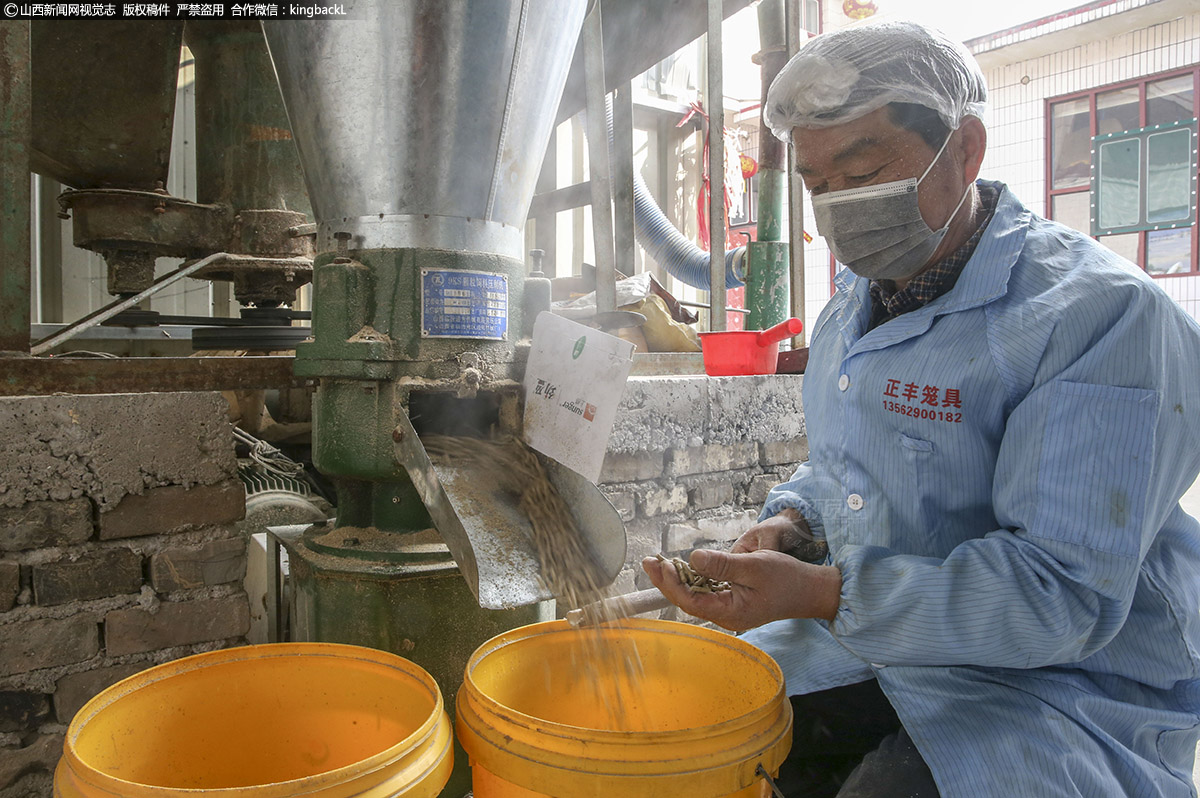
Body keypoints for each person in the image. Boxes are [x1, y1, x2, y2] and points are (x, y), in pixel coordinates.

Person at [642, 20, 1200, 798]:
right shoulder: (852, 309)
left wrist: (824, 594)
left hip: (1059, 686)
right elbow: (852, 465)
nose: (838, 208)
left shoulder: (1101, 321)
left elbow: (1058, 599)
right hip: (886, 643)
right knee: (707, 727)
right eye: (817, 186)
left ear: (965, 150)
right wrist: (797, 521)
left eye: (863, 171)